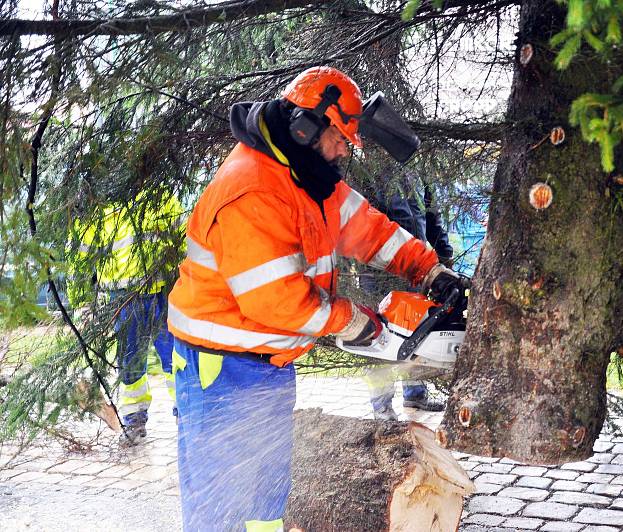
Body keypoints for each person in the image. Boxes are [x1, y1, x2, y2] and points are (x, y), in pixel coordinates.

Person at [167, 66, 463, 531]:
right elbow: (275, 302)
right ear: (307, 127)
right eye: (341, 138)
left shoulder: (310, 177)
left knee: (265, 499)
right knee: (222, 503)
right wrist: (352, 321)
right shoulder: (253, 190)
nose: (346, 150)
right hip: (221, 369)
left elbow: (370, 230)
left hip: (268, 365)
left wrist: (428, 269)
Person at [72, 192, 182, 445]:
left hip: (164, 295)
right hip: (123, 300)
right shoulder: (97, 208)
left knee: (177, 359)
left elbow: (183, 242)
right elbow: (80, 262)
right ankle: (134, 420)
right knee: (130, 365)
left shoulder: (162, 195)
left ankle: (186, 415)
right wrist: (82, 304)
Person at [360, 172, 454, 420]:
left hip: (416, 268)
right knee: (380, 338)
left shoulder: (416, 170)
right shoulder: (367, 170)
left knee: (418, 332)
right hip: (377, 273)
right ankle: (381, 404)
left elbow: (432, 216)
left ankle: (416, 393)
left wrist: (443, 253)